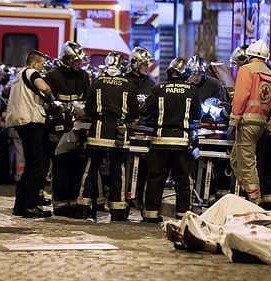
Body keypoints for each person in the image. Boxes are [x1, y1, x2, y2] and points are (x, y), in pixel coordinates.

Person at [74, 51, 139, 221]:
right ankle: (117, 211)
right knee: (119, 171)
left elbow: (88, 109)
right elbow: (134, 113)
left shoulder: (97, 82)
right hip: (119, 133)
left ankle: (83, 207)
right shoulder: (129, 84)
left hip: (98, 131)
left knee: (90, 170)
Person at [139, 57, 201, 222]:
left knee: (155, 178)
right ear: (184, 72)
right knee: (183, 180)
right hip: (182, 143)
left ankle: (150, 214)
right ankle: (183, 216)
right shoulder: (192, 90)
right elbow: (197, 116)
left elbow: (144, 111)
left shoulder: (158, 88)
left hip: (160, 141)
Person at [229, 45, 271, 210]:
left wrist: (234, 120)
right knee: (235, 159)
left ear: (249, 56)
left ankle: (254, 202)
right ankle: (245, 188)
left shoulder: (246, 70)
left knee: (247, 164)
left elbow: (241, 96)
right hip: (261, 125)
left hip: (246, 123)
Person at [44, 41, 92, 217]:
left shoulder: (83, 76)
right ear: (66, 59)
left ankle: (74, 203)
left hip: (79, 127)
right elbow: (50, 103)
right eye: (76, 61)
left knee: (78, 166)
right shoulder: (53, 76)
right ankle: (60, 205)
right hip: (59, 128)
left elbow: (87, 100)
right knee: (60, 166)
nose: (78, 65)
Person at [6, 50, 53, 218]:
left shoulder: (18, 77)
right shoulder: (31, 72)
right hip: (31, 122)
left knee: (29, 166)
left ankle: (20, 206)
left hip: (19, 123)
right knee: (38, 165)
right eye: (41, 64)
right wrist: (48, 96)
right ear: (34, 64)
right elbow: (44, 87)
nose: (42, 67)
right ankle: (30, 206)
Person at [124, 47, 156, 209]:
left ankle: (140, 199)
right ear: (135, 63)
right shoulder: (125, 81)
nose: (147, 67)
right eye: (144, 64)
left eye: (148, 64)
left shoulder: (150, 83)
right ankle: (124, 198)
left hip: (145, 133)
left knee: (144, 168)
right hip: (126, 131)